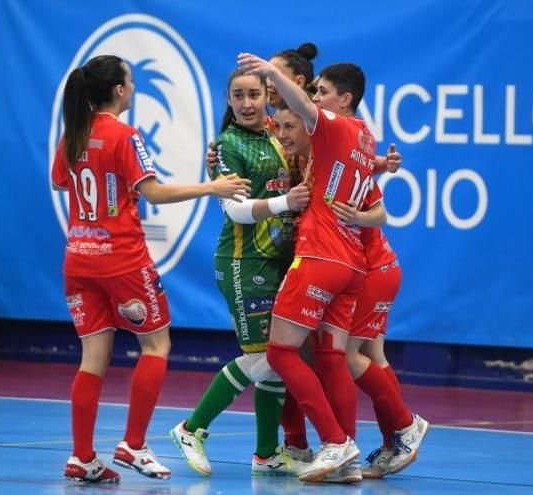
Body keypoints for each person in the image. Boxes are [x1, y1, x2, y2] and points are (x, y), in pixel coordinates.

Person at [51, 55, 250, 484]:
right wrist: (212, 187)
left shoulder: (75, 133)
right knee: (156, 346)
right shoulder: (124, 135)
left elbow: (59, 182)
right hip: (121, 259)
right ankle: (134, 444)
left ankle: (83, 457)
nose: (135, 86)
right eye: (132, 80)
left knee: (92, 359)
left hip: (78, 258)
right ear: (120, 91)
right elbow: (154, 193)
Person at [238, 53, 427, 482]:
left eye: (322, 92)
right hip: (351, 265)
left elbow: (301, 109)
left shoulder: (334, 125)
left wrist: (270, 74)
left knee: (281, 352)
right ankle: (350, 456)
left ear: (344, 100)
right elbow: (293, 124)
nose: (314, 99)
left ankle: (341, 441)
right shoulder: (363, 136)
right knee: (333, 356)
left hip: (324, 255)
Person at [170, 68, 310, 478]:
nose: (247, 103)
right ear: (228, 100)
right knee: (264, 358)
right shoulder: (228, 145)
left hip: (277, 260)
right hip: (242, 262)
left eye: (254, 94)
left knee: (276, 360)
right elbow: (235, 211)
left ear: (267, 94)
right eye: (238, 96)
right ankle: (191, 428)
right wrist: (288, 202)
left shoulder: (272, 132)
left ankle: (266, 454)